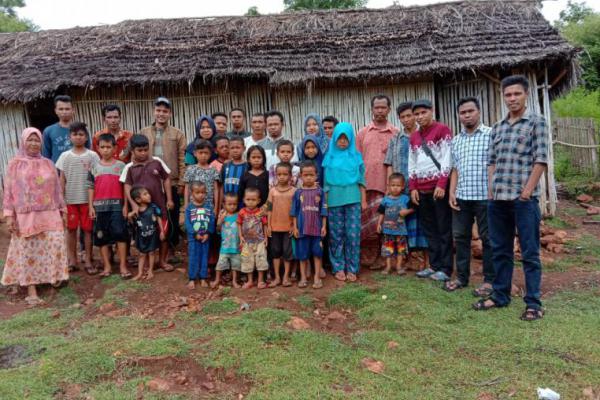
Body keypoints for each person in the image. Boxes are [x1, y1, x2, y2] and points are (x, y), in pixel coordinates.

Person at [473, 75, 548, 321]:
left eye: (517, 94)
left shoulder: (537, 122)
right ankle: (500, 295)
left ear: (526, 95)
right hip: (498, 200)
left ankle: (533, 303)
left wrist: (527, 191)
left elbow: (541, 159)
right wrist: (491, 190)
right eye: (508, 95)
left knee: (529, 252)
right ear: (503, 97)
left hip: (523, 201)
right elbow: (491, 161)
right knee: (500, 250)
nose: (512, 98)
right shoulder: (498, 127)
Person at [2, 128, 69, 306]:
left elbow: (56, 190)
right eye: (30, 140)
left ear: (41, 142)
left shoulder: (48, 163)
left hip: (50, 212)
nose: (33, 143)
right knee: (28, 249)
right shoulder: (15, 164)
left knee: (53, 243)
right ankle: (31, 288)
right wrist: (9, 216)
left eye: (36, 140)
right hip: (26, 215)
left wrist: (62, 210)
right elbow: (8, 192)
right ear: (23, 142)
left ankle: (52, 277)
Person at [445, 97, 494, 293]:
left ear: (478, 112)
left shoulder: (491, 135)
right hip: (462, 196)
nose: (466, 115)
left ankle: (489, 280)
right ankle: (462, 277)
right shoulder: (456, 140)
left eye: (470, 111)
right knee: (460, 237)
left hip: (485, 196)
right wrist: (452, 192)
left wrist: (493, 191)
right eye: (463, 112)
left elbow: (495, 165)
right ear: (459, 116)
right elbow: (454, 169)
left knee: (488, 238)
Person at [408, 99, 453, 282]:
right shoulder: (414, 137)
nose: (420, 117)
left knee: (443, 228)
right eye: (416, 114)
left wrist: (442, 184)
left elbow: (447, 158)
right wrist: (413, 188)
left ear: (431, 111)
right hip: (422, 190)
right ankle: (434, 265)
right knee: (430, 229)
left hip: (437, 189)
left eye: (423, 112)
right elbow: (412, 163)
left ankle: (446, 268)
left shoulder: (442, 130)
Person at [140, 97, 185, 268]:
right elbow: (136, 156)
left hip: (171, 183)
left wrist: (181, 182)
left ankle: (169, 252)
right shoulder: (144, 132)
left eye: (165, 111)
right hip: (148, 184)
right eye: (158, 110)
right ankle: (150, 251)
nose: (161, 114)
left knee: (170, 217)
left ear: (170, 114)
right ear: (153, 111)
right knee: (149, 217)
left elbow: (182, 159)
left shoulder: (177, 134)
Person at [384, 102, 428, 270]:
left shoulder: (424, 136)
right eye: (403, 117)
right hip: (400, 190)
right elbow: (388, 163)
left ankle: (426, 260)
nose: (407, 119)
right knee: (402, 224)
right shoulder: (395, 139)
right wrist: (390, 188)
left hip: (421, 187)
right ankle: (406, 259)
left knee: (423, 224)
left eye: (409, 115)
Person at [356, 94, 400, 267]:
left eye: (383, 107)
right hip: (366, 186)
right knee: (369, 224)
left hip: (389, 186)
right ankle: (371, 254)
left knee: (388, 222)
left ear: (389, 109)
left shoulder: (395, 133)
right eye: (377, 107)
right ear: (372, 110)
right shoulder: (363, 133)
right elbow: (357, 161)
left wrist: (394, 185)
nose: (380, 110)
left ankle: (386, 256)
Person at [121, 134, 174, 272]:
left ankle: (162, 261)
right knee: (143, 233)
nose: (143, 153)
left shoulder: (156, 161)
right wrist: (132, 205)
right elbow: (127, 186)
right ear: (132, 151)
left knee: (163, 232)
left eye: (146, 149)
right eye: (140, 150)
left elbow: (167, 178)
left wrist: (169, 199)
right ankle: (144, 263)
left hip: (159, 205)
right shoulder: (129, 168)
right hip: (141, 209)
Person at [322, 123, 367, 282]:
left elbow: (362, 180)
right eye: (339, 139)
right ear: (334, 139)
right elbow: (326, 185)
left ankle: (353, 268)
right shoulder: (329, 157)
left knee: (352, 235)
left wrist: (364, 200)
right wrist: (325, 205)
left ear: (350, 139)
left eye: (345, 139)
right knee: (336, 235)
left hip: (353, 198)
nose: (342, 142)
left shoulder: (356, 156)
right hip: (334, 200)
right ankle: (338, 267)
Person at [56, 122, 100, 274]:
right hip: (70, 201)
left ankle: (88, 259)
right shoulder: (64, 156)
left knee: (88, 231)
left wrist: (94, 201)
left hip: (87, 201)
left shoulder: (93, 156)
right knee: (71, 230)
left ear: (86, 137)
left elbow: (96, 177)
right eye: (75, 134)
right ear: (70, 137)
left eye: (81, 134)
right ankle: (72, 260)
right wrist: (61, 200)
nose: (78, 137)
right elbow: (62, 179)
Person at [87, 133, 131, 279]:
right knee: (102, 237)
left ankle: (123, 266)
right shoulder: (94, 166)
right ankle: (107, 266)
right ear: (98, 148)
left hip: (117, 207)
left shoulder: (121, 166)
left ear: (115, 148)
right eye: (102, 147)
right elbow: (90, 187)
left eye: (108, 147)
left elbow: (125, 187)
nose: (105, 150)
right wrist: (90, 207)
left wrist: (125, 205)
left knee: (120, 235)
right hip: (99, 209)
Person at [291, 161, 328, 289]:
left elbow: (324, 211)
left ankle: (317, 277)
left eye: (311, 175)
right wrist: (295, 227)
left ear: (316, 176)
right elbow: (294, 212)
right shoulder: (298, 192)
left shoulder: (320, 192)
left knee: (317, 254)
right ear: (301, 176)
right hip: (302, 229)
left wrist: (324, 226)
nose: (308, 177)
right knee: (302, 255)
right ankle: (303, 278)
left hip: (317, 229)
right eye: (305, 175)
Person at [376, 173, 413, 275]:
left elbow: (413, 208)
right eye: (393, 185)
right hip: (387, 230)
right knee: (388, 249)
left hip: (401, 230)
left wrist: (407, 211)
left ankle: (399, 266)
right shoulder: (385, 200)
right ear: (388, 186)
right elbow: (381, 213)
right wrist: (379, 224)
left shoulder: (405, 199)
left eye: (398, 186)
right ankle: (388, 267)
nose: (395, 188)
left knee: (401, 249)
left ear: (402, 187)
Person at [267, 162, 296, 287]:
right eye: (279, 174)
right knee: (275, 252)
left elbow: (296, 211)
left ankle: (286, 277)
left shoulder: (294, 191)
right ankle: (277, 277)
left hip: (288, 227)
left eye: (285, 174)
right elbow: (269, 209)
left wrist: (294, 226)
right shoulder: (272, 191)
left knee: (288, 253)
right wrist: (268, 225)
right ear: (275, 176)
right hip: (274, 227)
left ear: (290, 176)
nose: (282, 177)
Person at [128, 186, 164, 281]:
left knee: (152, 252)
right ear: (138, 199)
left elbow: (159, 218)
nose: (149, 195)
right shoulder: (136, 211)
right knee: (142, 254)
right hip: (141, 237)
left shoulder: (153, 207)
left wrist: (162, 231)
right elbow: (131, 222)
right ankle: (140, 273)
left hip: (152, 235)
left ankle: (150, 271)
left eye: (148, 193)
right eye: (145, 194)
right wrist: (130, 215)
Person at [185, 181, 215, 289]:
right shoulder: (189, 208)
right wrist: (194, 234)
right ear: (192, 193)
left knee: (204, 257)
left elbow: (211, 221)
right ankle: (192, 279)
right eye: (197, 192)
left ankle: (203, 278)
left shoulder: (208, 207)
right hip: (193, 239)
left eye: (203, 192)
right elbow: (187, 223)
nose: (200, 195)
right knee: (193, 257)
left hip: (205, 238)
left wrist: (208, 233)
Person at [238, 187, 269, 289]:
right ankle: (250, 281)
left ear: (258, 200)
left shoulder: (260, 212)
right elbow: (239, 224)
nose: (250, 202)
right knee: (247, 260)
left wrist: (266, 237)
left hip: (259, 241)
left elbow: (265, 224)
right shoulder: (242, 212)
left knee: (261, 259)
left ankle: (260, 281)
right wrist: (240, 236)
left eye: (253, 200)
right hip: (246, 242)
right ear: (244, 200)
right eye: (248, 200)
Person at [182, 140, 220, 217]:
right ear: (195, 153)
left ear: (210, 154)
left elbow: (216, 189)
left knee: (209, 227)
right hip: (193, 206)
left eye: (206, 153)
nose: (203, 155)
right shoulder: (190, 169)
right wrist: (186, 205)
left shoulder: (213, 170)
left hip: (208, 206)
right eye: (201, 152)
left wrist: (216, 208)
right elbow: (187, 188)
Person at [212, 193, 242, 288]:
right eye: (230, 204)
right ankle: (217, 280)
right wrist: (220, 221)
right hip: (225, 247)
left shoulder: (239, 215)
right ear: (224, 204)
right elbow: (217, 230)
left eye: (235, 204)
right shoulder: (222, 215)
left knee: (235, 266)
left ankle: (234, 281)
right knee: (220, 264)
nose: (232, 206)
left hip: (236, 247)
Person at [42, 95, 78, 163]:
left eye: (67, 109)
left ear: (73, 110)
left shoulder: (80, 130)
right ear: (56, 111)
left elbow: (88, 150)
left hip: (78, 170)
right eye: (61, 109)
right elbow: (46, 156)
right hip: (56, 172)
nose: (64, 112)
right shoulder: (48, 131)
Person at [220, 137, 247, 202]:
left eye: (238, 148)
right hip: (227, 204)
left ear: (244, 149)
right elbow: (222, 185)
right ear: (229, 149)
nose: (235, 150)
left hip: (242, 204)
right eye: (232, 148)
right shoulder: (225, 166)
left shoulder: (248, 166)